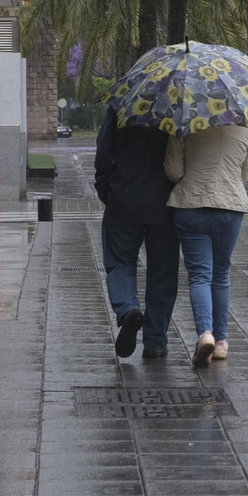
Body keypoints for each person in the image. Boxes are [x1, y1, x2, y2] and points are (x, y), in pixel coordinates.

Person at [95, 107, 179, 360]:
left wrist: (105, 186)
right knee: (163, 272)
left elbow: (104, 148)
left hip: (124, 196)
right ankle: (155, 342)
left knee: (119, 260)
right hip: (165, 202)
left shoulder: (124, 105)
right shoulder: (177, 108)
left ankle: (127, 308)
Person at [164, 123, 248, 367]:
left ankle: (205, 334)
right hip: (230, 205)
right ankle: (221, 343)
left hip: (192, 202)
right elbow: (245, 173)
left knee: (200, 275)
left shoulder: (184, 121)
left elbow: (173, 171)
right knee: (221, 275)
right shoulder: (242, 125)